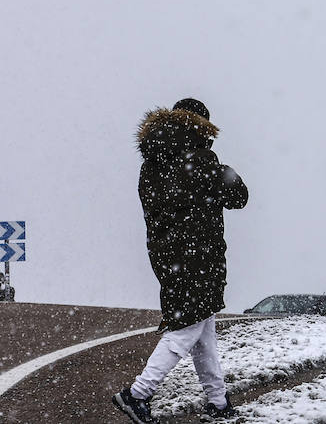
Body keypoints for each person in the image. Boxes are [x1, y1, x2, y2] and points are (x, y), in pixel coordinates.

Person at [113, 98, 249, 423]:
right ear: (202, 127)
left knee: (203, 334)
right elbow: (239, 196)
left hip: (169, 258)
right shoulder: (200, 162)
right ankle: (138, 394)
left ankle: (218, 403)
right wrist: (220, 169)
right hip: (198, 258)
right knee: (185, 331)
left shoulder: (153, 164)